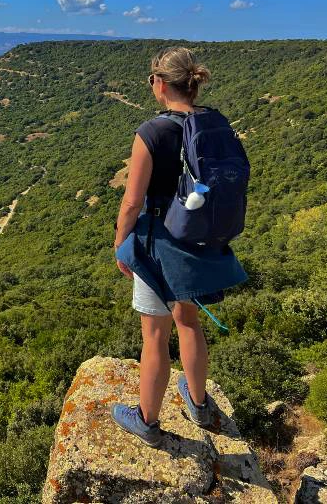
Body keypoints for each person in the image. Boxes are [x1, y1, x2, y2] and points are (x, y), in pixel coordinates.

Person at [110, 46, 248, 447]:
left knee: (154, 335)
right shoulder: (212, 123)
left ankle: (147, 422)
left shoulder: (151, 132)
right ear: (192, 84)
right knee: (188, 321)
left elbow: (132, 201)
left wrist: (122, 245)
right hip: (198, 241)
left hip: (159, 244)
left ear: (159, 83)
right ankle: (200, 404)